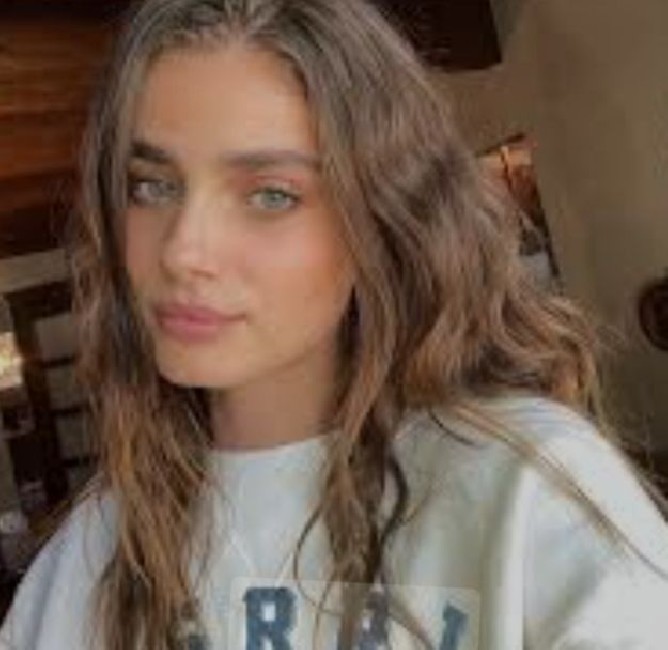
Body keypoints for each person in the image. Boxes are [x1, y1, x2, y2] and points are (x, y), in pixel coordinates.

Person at [2, 0, 668, 648]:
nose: (182, 250)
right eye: (151, 185)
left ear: (379, 219)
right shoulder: (79, 568)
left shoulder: (521, 492)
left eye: (271, 195)